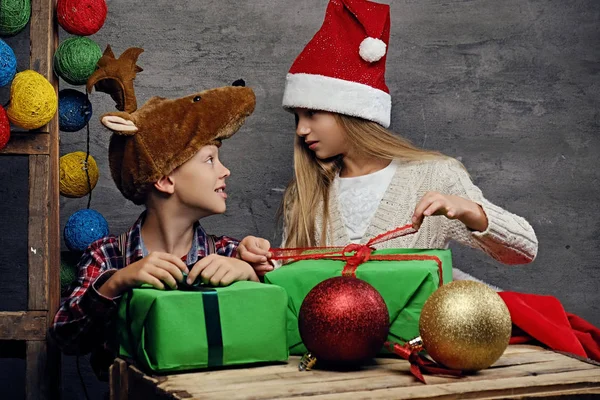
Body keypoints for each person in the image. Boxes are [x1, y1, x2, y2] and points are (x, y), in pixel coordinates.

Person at [240, 0, 538, 284]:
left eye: (312, 114)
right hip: (328, 337)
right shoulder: (306, 194)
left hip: (417, 335)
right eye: (297, 117)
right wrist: (265, 264)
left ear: (351, 112)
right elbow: (295, 280)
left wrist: (470, 210)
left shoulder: (434, 176)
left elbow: (524, 250)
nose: (301, 130)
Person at [50, 46, 266, 377]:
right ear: (164, 179)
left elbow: (276, 322)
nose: (225, 172)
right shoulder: (107, 257)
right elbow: (66, 338)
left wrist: (252, 276)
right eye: (210, 160)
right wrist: (116, 283)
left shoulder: (229, 253)